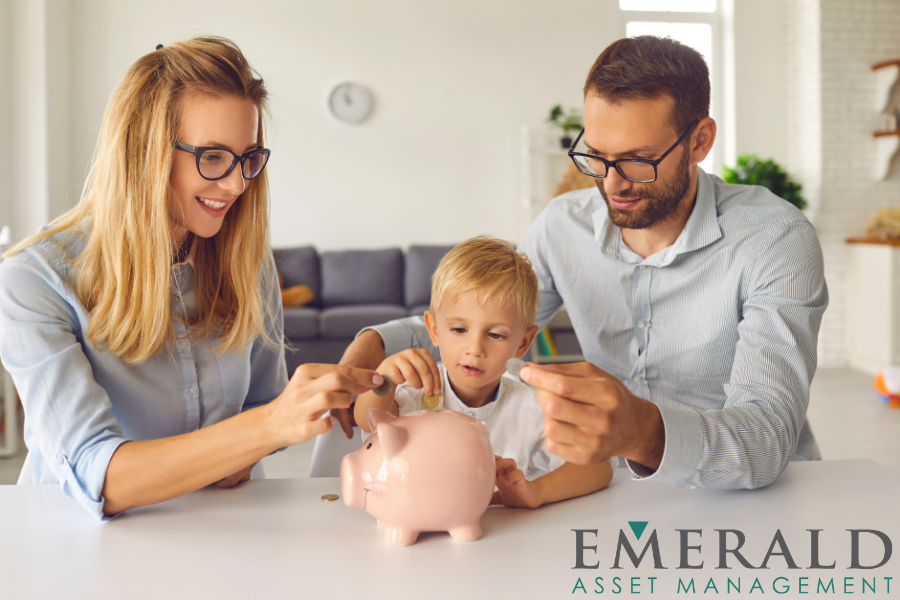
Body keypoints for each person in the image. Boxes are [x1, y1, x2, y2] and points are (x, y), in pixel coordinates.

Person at [337, 36, 828, 490]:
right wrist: (376, 340)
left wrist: (645, 434)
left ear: (699, 141)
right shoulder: (563, 225)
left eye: (638, 160)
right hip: (611, 492)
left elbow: (767, 435)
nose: (611, 185)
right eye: (596, 155)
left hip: (753, 499)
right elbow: (482, 318)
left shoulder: (774, 238)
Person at [0, 37, 382, 519]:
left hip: (221, 528)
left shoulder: (247, 261)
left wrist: (256, 444)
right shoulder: (33, 281)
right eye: (213, 156)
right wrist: (265, 428)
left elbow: (262, 402)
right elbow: (97, 476)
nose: (237, 184)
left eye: (247, 157)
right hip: (78, 540)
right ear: (143, 152)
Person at [353, 237, 613, 507]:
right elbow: (367, 419)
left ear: (523, 343)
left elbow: (598, 466)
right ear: (433, 329)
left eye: (496, 335)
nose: (475, 349)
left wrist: (536, 492)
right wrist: (384, 380)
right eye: (459, 330)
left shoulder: (530, 406)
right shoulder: (417, 391)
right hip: (419, 521)